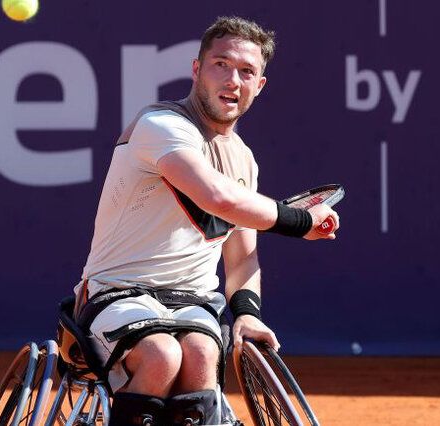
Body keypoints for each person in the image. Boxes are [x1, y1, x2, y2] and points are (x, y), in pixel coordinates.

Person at [74, 16, 339, 426]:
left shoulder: (245, 161)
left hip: (191, 304)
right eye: (221, 64)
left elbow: (241, 258)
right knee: (162, 355)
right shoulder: (161, 125)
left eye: (247, 71)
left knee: (201, 354)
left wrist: (248, 313)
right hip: (118, 294)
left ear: (259, 86)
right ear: (197, 70)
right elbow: (216, 197)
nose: (232, 79)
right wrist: (299, 221)